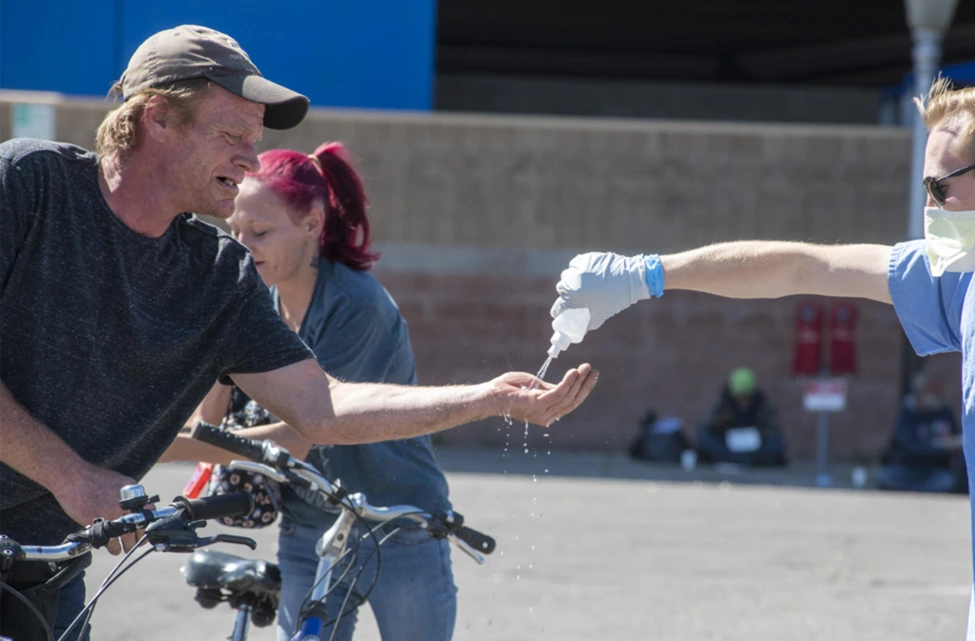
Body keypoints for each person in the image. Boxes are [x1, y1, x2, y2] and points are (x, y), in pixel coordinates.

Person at [0, 25, 597, 641]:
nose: (250, 159)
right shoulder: (29, 183)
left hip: (51, 563)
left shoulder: (217, 272)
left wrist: (490, 398)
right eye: (232, 135)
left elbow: (323, 407)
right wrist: (73, 476)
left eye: (255, 141)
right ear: (158, 117)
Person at [549, 76, 975, 640]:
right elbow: (806, 265)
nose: (928, 209)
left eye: (939, 188)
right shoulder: (973, 286)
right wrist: (644, 275)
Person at [162, 141, 459, 641]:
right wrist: (219, 343)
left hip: (397, 523)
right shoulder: (253, 294)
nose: (241, 245)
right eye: (234, 231)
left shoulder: (356, 305)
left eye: (259, 232)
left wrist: (164, 446)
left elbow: (308, 432)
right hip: (308, 529)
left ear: (312, 225)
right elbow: (209, 422)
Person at [877, 371, 966, 493]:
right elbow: (907, 446)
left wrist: (953, 444)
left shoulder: (945, 413)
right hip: (907, 468)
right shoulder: (907, 414)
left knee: (947, 481)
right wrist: (938, 446)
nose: (937, 393)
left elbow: (956, 438)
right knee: (886, 476)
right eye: (933, 389)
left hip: (934, 471)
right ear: (921, 391)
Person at [695, 367, 787, 467]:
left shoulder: (762, 404)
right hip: (727, 445)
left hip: (755, 448)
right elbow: (706, 426)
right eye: (740, 398)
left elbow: (773, 429)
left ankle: (744, 461)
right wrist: (720, 422)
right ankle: (738, 461)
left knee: (776, 443)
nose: (743, 403)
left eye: (746, 398)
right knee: (704, 438)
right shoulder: (722, 403)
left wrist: (758, 433)